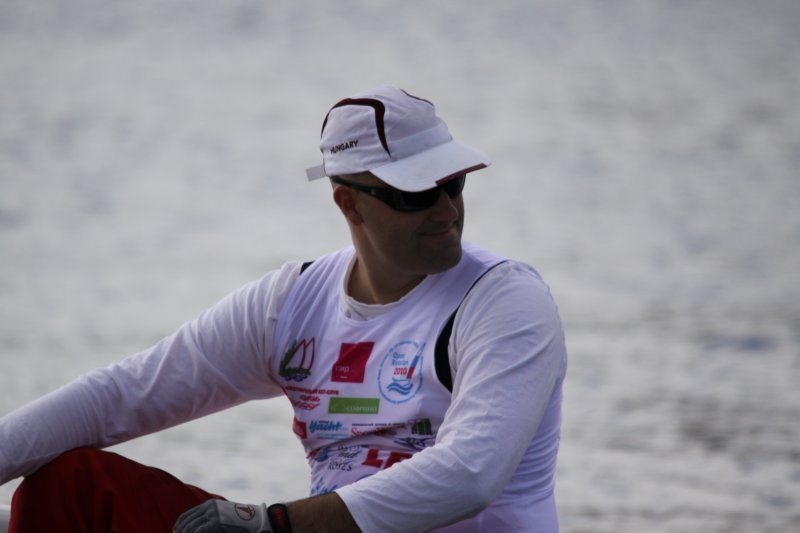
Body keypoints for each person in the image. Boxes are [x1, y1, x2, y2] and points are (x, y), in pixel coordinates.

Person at [0, 85, 567, 532]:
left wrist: (273, 524)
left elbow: (470, 474)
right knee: (68, 484)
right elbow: (120, 397)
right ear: (349, 204)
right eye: (417, 193)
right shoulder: (291, 303)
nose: (446, 210)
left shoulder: (504, 300)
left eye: (454, 183)